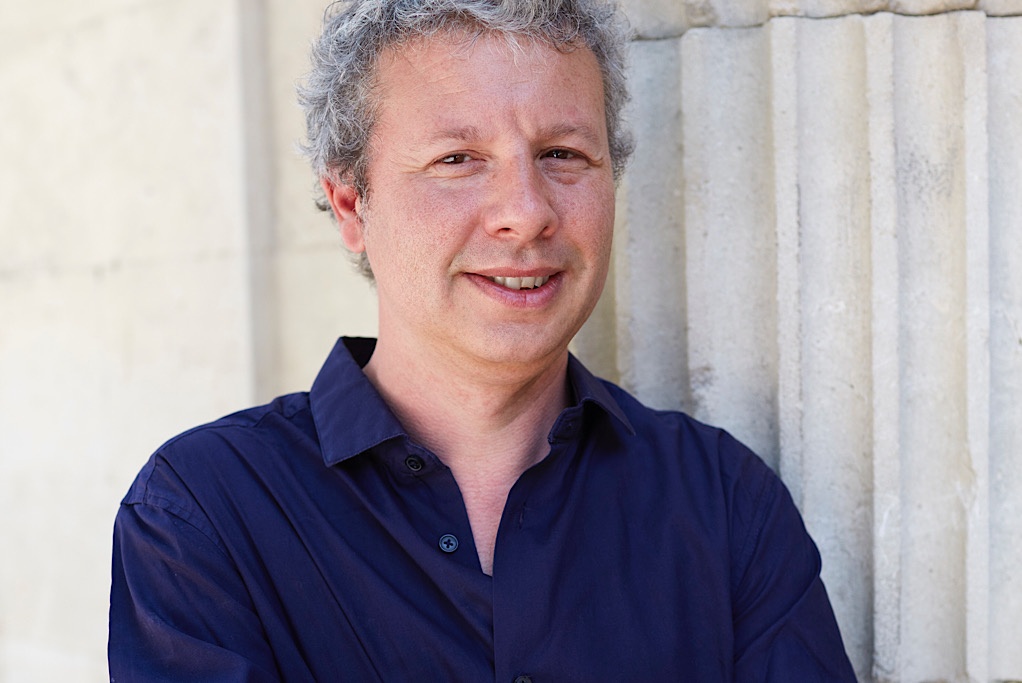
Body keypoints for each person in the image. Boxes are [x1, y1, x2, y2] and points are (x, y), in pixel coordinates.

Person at [108, 0, 857, 680]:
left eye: (563, 154)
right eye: (457, 159)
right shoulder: (203, 514)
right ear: (350, 204)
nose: (525, 213)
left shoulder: (726, 506)